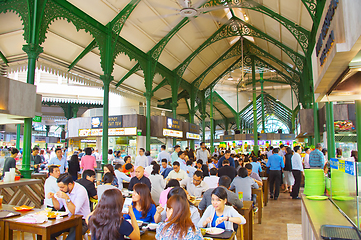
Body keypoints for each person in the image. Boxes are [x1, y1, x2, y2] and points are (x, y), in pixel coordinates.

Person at [47, 173, 90, 240]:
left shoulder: (81, 190)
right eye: (59, 187)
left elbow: (74, 211)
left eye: (62, 187)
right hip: (68, 219)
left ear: (70, 184)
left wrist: (67, 198)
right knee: (47, 233)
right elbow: (57, 207)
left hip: (82, 220)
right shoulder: (63, 190)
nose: (60, 189)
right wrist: (53, 198)